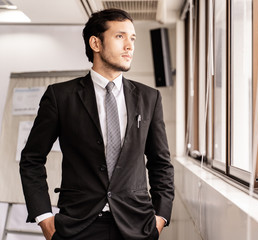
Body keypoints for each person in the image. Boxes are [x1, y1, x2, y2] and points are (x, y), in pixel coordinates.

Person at [19, 8, 174, 240]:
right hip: (77, 226)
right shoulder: (60, 97)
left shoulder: (149, 98)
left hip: (136, 225)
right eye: (120, 36)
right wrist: (44, 218)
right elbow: (31, 160)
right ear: (96, 43)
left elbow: (161, 163)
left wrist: (160, 217)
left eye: (132, 38)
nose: (129, 46)